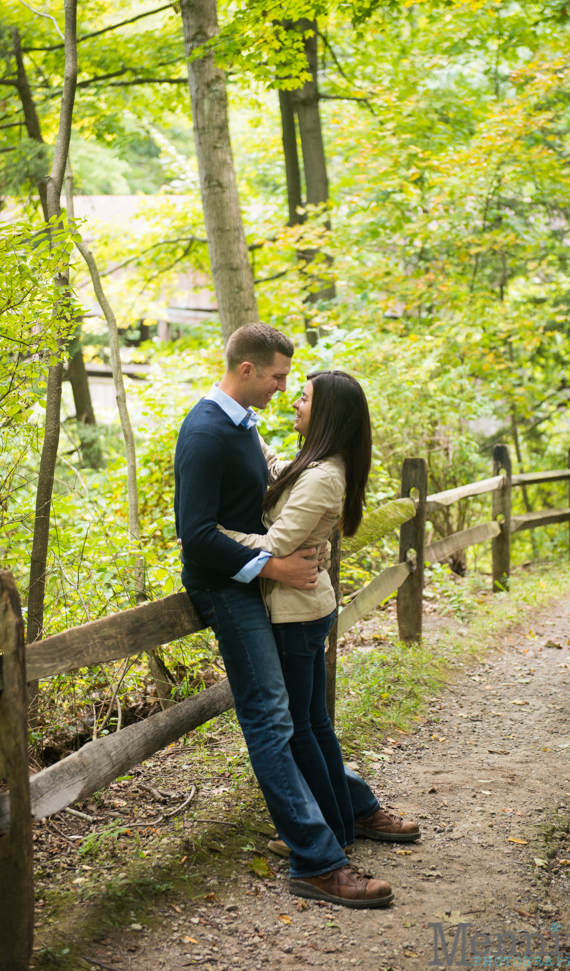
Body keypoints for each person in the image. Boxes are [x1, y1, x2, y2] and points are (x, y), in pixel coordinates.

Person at [174, 322, 419, 908]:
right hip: (231, 590)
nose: (284, 389)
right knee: (275, 721)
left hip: (260, 587)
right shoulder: (206, 433)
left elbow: (270, 500)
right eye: (280, 377)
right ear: (248, 370)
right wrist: (275, 568)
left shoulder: (243, 427)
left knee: (296, 719)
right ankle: (316, 859)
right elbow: (197, 536)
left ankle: (342, 820)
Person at [217, 370, 420, 863]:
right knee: (314, 724)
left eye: (303, 399)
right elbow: (279, 469)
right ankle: (344, 821)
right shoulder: (317, 465)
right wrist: (248, 426)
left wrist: (214, 537)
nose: (294, 403)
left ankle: (331, 831)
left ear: (325, 413)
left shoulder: (325, 477)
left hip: (295, 617)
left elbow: (276, 547)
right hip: (307, 610)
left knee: (302, 728)